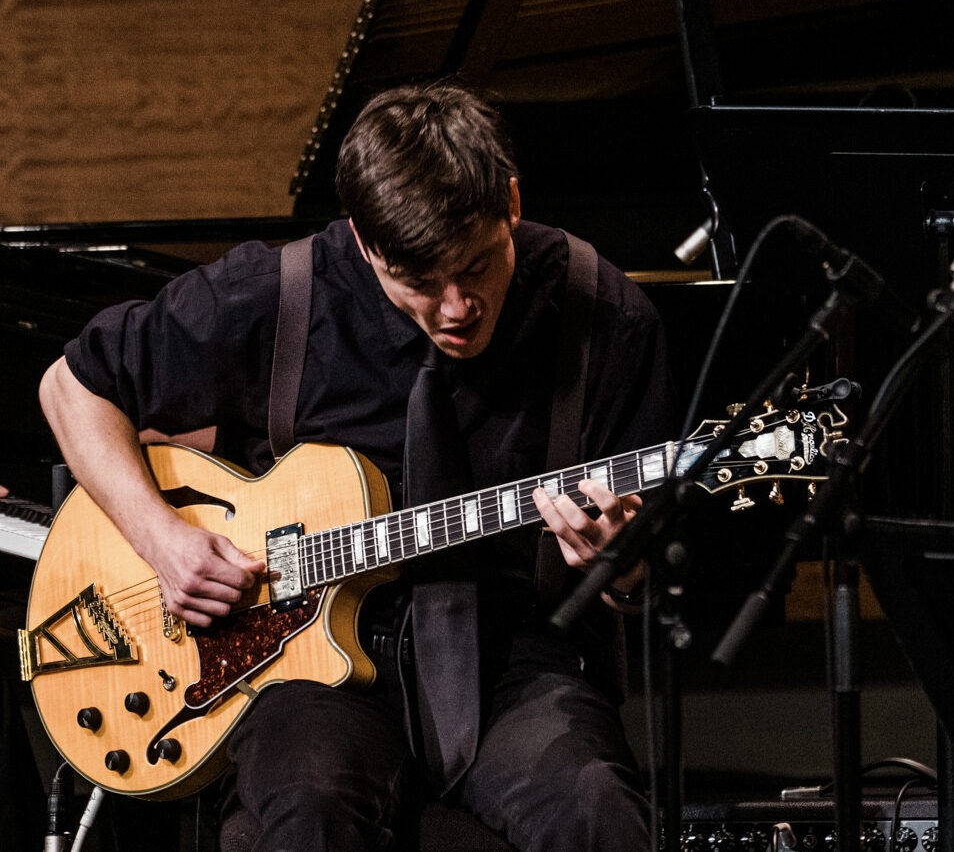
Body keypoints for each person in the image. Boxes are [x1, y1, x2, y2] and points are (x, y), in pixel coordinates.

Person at [38, 82, 676, 851]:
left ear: (510, 201)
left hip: (513, 655)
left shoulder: (601, 312)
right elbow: (72, 386)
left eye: (475, 268)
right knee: (310, 804)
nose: (454, 308)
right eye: (419, 283)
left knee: (597, 810)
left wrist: (623, 563)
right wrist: (162, 539)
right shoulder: (275, 293)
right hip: (297, 659)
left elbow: (653, 570)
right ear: (365, 243)